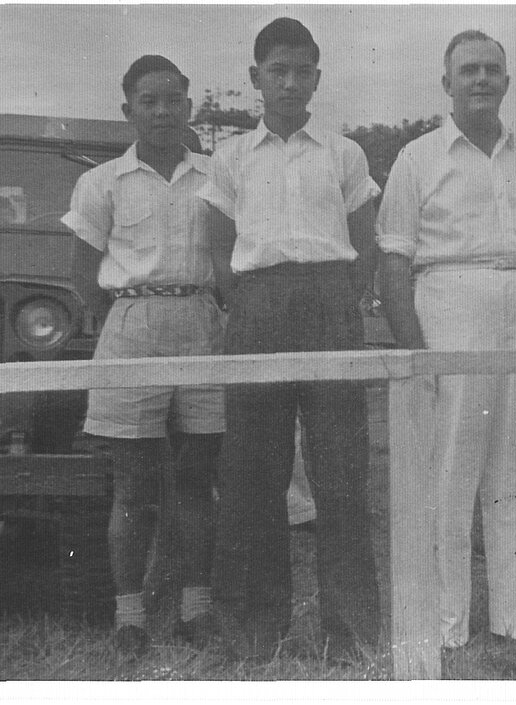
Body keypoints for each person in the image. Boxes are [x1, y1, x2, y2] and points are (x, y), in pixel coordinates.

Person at [376, 29, 516, 650]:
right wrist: (418, 352)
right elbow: (392, 259)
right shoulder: (417, 158)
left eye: (492, 69)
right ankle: (447, 620)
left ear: (508, 83)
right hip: (449, 308)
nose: (482, 79)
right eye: (469, 70)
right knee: (451, 469)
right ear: (448, 84)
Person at [199, 17, 380, 661]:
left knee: (340, 469)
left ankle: (351, 629)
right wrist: (245, 307)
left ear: (316, 79)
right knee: (254, 471)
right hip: (257, 308)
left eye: (302, 70)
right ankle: (256, 629)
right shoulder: (229, 158)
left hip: (329, 304)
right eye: (278, 70)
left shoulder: (344, 152)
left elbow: (364, 240)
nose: (290, 82)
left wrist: (340, 303)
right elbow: (218, 252)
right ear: (256, 79)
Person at [64, 55, 224, 658]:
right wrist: (125, 323)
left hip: (201, 321)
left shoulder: (215, 172)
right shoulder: (101, 180)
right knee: (132, 483)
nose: (162, 111)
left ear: (188, 108)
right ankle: (129, 615)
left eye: (173, 100)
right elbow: (82, 272)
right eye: (148, 101)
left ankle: (195, 608)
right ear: (128, 109)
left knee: (195, 476)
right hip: (130, 323)